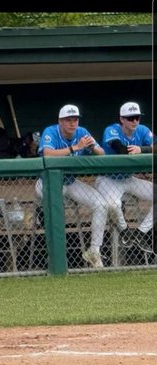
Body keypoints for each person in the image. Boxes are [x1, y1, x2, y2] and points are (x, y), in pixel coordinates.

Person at [37, 103, 109, 269]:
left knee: (102, 204)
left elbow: (102, 153)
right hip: (47, 182)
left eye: (75, 119)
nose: (72, 123)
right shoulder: (51, 131)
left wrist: (92, 148)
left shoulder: (82, 132)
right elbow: (47, 154)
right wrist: (74, 147)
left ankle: (94, 251)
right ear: (60, 121)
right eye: (68, 120)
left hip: (70, 181)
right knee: (54, 205)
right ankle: (54, 255)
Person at [96, 101, 155, 251]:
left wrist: (143, 149)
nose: (135, 121)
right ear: (122, 119)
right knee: (113, 205)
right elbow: (120, 148)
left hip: (128, 178)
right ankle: (125, 231)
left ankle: (141, 233)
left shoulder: (142, 130)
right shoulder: (112, 129)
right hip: (108, 179)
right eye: (130, 118)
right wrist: (141, 150)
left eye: (137, 117)